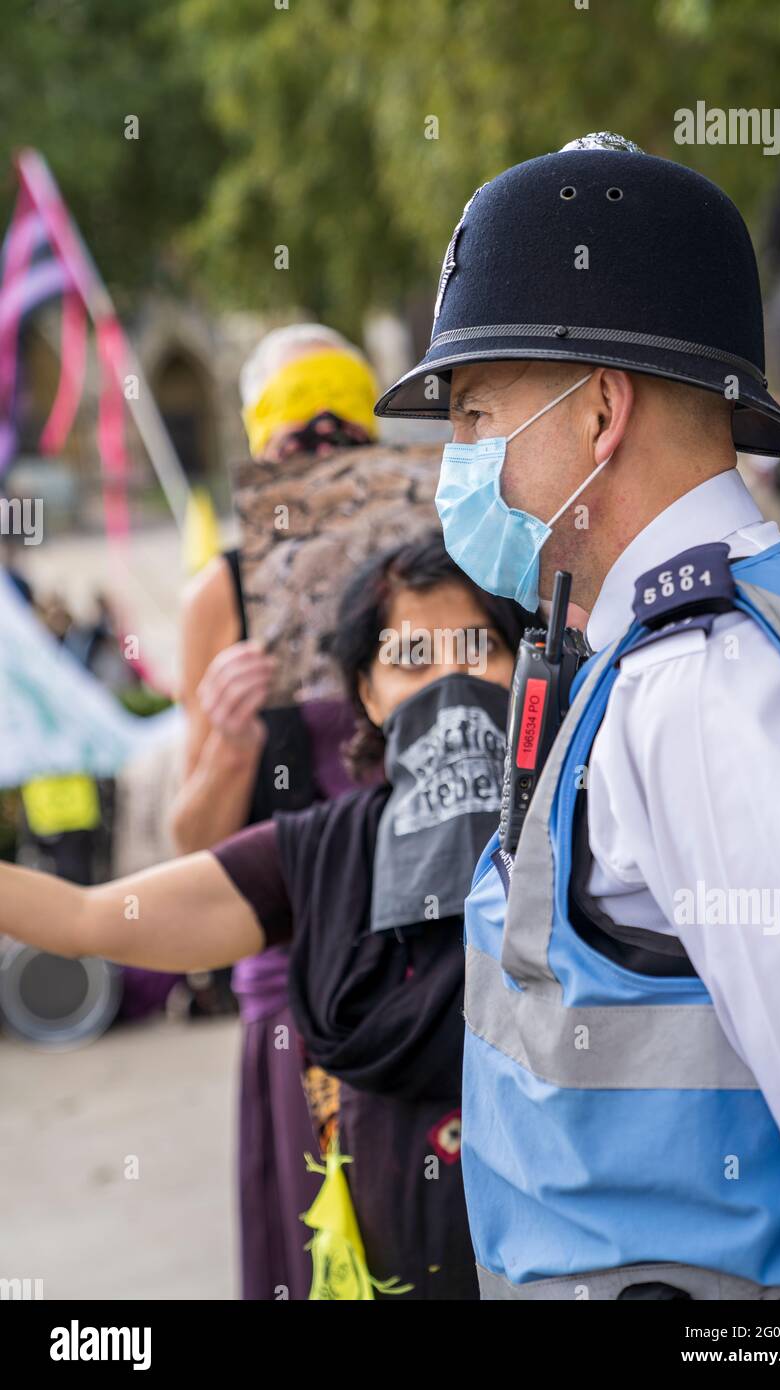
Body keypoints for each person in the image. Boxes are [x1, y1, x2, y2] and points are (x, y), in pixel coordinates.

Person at [373, 133, 780, 1300]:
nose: (453, 462)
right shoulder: (776, 617)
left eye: (474, 414)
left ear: (599, 411)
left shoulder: (699, 687)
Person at [0, 532, 529, 1299]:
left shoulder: (586, 827)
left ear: (529, 668)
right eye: (413, 660)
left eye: (478, 649)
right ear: (367, 693)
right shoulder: (317, 854)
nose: (450, 682)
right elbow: (86, 918)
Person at [170, 323, 387, 1299]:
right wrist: (229, 739)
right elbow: (190, 839)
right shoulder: (219, 592)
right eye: (297, 428)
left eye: (344, 422)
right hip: (291, 954)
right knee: (316, 1247)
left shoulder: (430, 569)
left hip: (418, 948)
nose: (322, 444)